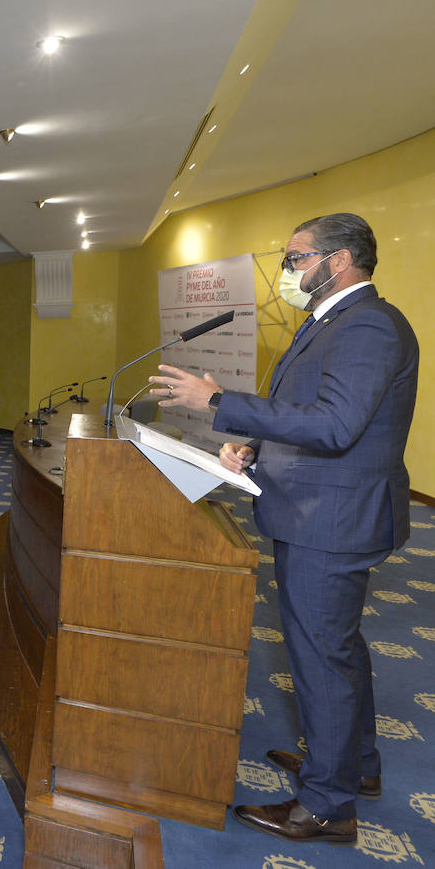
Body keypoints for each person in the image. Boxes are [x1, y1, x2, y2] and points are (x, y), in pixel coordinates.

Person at [148, 212, 417, 846]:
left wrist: (217, 402)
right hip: (320, 507)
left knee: (322, 658)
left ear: (340, 261)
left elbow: (334, 427)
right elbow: (310, 417)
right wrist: (254, 448)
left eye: (296, 259)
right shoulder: (330, 323)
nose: (287, 272)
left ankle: (326, 806)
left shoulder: (369, 325)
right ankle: (352, 767)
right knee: (338, 650)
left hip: (333, 520)